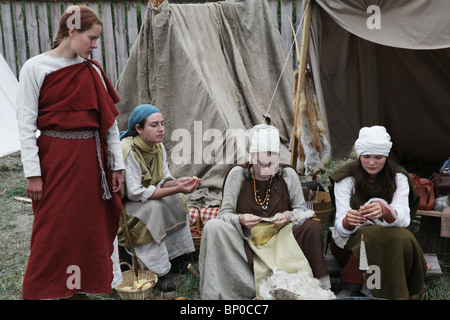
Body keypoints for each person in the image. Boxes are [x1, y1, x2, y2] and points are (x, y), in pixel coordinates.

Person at [16, 5, 125, 299]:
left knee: (89, 226)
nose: (94, 45)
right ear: (72, 31)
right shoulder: (35, 67)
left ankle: (80, 287)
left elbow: (110, 124)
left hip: (94, 161)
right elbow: (25, 126)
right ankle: (46, 288)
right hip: (56, 159)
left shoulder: (93, 70)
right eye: (91, 38)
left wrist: (117, 166)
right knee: (54, 227)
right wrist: (33, 174)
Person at [199, 124, 330, 300]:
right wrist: (241, 220)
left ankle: (318, 287)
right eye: (261, 164)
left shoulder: (287, 174)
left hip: (282, 237)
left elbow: (301, 210)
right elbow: (224, 214)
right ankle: (240, 288)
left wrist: (287, 216)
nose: (267, 169)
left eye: (272, 163)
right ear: (252, 157)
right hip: (247, 239)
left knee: (312, 226)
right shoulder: (237, 174)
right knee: (213, 226)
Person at [328, 125, 428, 299]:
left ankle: (354, 288)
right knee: (378, 236)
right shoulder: (345, 178)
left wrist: (385, 211)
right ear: (359, 155)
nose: (372, 163)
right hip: (349, 247)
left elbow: (403, 218)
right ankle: (386, 292)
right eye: (366, 157)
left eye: (378, 157)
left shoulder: (398, 177)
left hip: (390, 243)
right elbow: (341, 226)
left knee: (395, 236)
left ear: (386, 156)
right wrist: (348, 221)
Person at [117, 104, 201, 292]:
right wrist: (177, 187)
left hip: (146, 197)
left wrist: (180, 183)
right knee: (153, 209)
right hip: (127, 206)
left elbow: (163, 180)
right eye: (154, 125)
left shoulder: (157, 146)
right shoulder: (127, 150)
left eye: (162, 124)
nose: (161, 129)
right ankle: (158, 271)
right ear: (138, 129)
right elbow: (135, 193)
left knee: (177, 199)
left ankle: (176, 258)